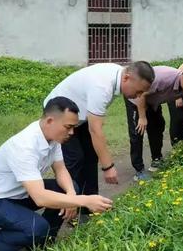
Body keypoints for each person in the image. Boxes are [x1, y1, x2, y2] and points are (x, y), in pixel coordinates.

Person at [0, 97, 113, 251]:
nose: (72, 132)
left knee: (71, 188)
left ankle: (43, 243)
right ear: (50, 121)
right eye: (68, 127)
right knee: (38, 228)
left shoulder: (52, 138)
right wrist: (84, 200)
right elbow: (40, 198)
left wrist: (72, 196)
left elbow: (61, 169)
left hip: (23, 194)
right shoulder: (24, 146)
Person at [44, 61, 155, 197]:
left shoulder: (118, 75)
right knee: (74, 159)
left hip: (80, 115)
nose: (139, 96)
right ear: (127, 78)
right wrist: (108, 167)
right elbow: (96, 130)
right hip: (59, 114)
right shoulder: (103, 86)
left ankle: (89, 205)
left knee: (90, 156)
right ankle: (64, 206)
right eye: (138, 91)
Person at [125, 64, 183, 181]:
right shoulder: (164, 78)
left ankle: (156, 159)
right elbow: (142, 94)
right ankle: (139, 170)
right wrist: (142, 117)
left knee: (158, 126)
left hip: (153, 101)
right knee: (138, 131)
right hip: (136, 97)